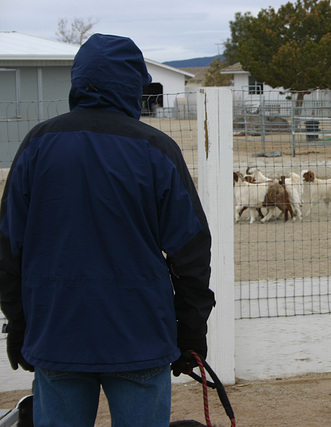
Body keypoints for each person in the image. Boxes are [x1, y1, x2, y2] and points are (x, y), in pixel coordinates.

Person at [0, 34, 215, 426]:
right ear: (132, 85)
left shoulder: (37, 144)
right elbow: (191, 251)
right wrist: (191, 331)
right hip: (140, 336)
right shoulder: (156, 149)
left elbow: (8, 248)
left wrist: (19, 323)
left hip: (57, 332)